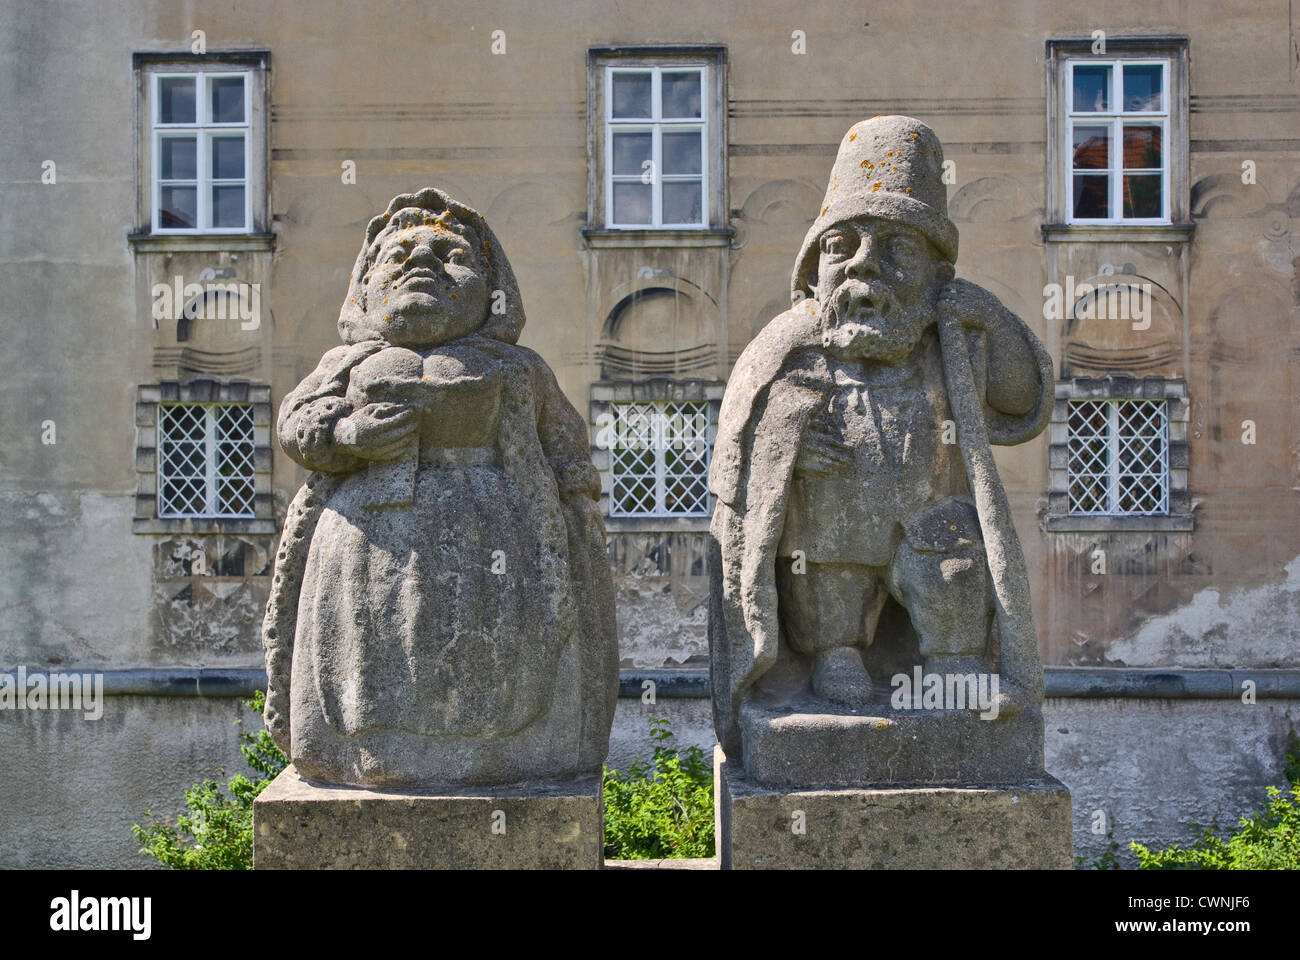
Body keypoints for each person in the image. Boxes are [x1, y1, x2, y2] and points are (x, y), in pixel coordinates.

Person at [709, 117, 1053, 755]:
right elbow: (738, 444)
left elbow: (1022, 397)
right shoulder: (789, 342)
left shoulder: (950, 332)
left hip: (929, 518)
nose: (864, 265)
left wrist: (992, 321)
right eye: (843, 246)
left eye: (896, 247)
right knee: (826, 574)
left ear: (932, 271)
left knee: (955, 569)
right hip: (833, 527)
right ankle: (834, 654)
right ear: (816, 267)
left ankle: (952, 663)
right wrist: (786, 447)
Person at [262, 188, 617, 787]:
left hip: (495, 537)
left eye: (449, 255)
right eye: (397, 258)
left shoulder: (516, 366)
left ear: (491, 286)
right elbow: (296, 424)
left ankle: (497, 757)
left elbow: (565, 448)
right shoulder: (347, 364)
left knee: (488, 652)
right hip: (366, 539)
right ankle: (369, 757)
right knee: (369, 655)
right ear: (366, 287)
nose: (421, 264)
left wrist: (575, 520)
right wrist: (347, 436)